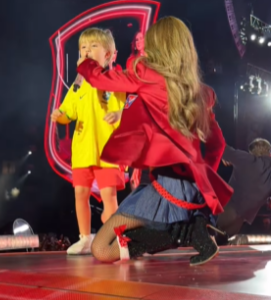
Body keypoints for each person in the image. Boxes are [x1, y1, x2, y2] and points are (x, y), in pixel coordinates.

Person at [77, 16, 233, 266]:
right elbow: (218, 145)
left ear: (157, 47)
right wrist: (201, 181)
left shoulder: (146, 75)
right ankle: (191, 229)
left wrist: (85, 63)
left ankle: (190, 233)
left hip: (165, 192)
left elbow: (99, 80)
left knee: (102, 249)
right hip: (187, 193)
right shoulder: (202, 93)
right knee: (114, 244)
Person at [51, 28, 126, 255]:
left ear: (108, 54)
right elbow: (68, 111)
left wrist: (118, 115)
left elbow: (121, 109)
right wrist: (60, 116)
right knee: (80, 194)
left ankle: (120, 240)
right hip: (82, 150)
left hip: (106, 151)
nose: (87, 51)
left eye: (93, 46)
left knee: (108, 197)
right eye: (83, 47)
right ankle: (85, 238)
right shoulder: (77, 85)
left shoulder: (113, 80)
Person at [216, 138, 271, 241]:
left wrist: (225, 156)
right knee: (222, 243)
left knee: (207, 238)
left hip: (228, 208)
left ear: (252, 152)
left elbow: (223, 148)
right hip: (243, 218)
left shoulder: (248, 160)